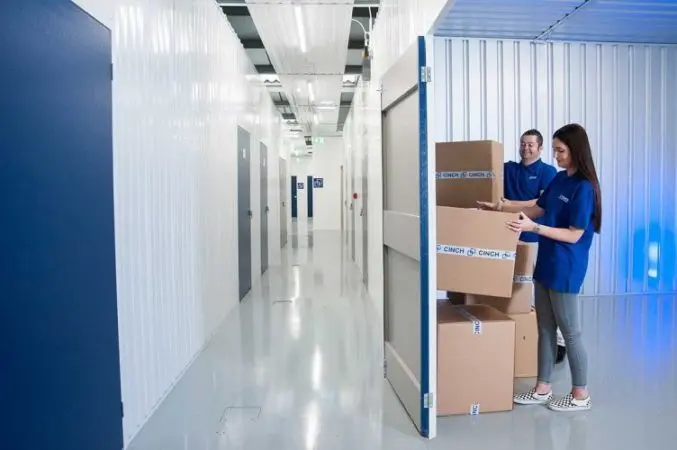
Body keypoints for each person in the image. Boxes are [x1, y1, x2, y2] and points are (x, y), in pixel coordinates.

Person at [479, 123, 601, 412]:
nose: (557, 156)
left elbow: (574, 234)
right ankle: (542, 388)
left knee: (570, 333)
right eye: (556, 150)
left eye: (561, 151)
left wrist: (534, 228)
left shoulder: (584, 188)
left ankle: (581, 394)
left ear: (576, 151)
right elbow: (537, 208)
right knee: (544, 328)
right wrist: (499, 209)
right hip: (546, 263)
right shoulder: (560, 180)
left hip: (566, 267)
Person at [503, 129, 567, 364]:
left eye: (531, 145)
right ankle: (519, 334)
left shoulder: (548, 172)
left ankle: (557, 341)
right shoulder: (509, 169)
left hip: (535, 239)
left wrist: (508, 204)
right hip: (509, 237)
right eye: (522, 144)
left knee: (539, 291)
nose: (525, 148)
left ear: (540, 148)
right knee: (515, 290)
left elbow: (537, 203)